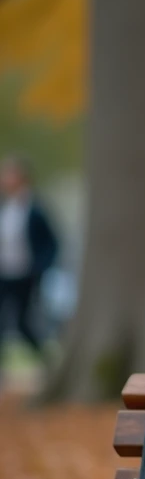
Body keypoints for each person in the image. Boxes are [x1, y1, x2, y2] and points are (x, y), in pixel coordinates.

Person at [0, 155, 59, 380]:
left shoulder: (35, 210)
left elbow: (52, 243)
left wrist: (41, 268)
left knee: (24, 322)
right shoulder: (5, 208)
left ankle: (46, 362)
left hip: (25, 276)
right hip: (4, 275)